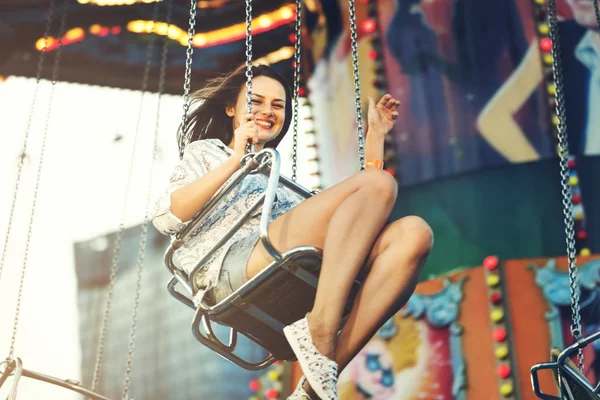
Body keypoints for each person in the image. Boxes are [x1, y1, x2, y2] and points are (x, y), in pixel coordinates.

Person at [152, 64, 433, 400]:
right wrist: (237, 157)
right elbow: (166, 217)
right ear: (231, 108)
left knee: (414, 234)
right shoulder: (207, 153)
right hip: (231, 263)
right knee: (378, 183)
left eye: (278, 105)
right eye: (256, 102)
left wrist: (375, 138)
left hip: (289, 261)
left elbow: (363, 209)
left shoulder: (283, 183)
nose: (268, 112)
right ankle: (321, 329)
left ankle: (315, 384)